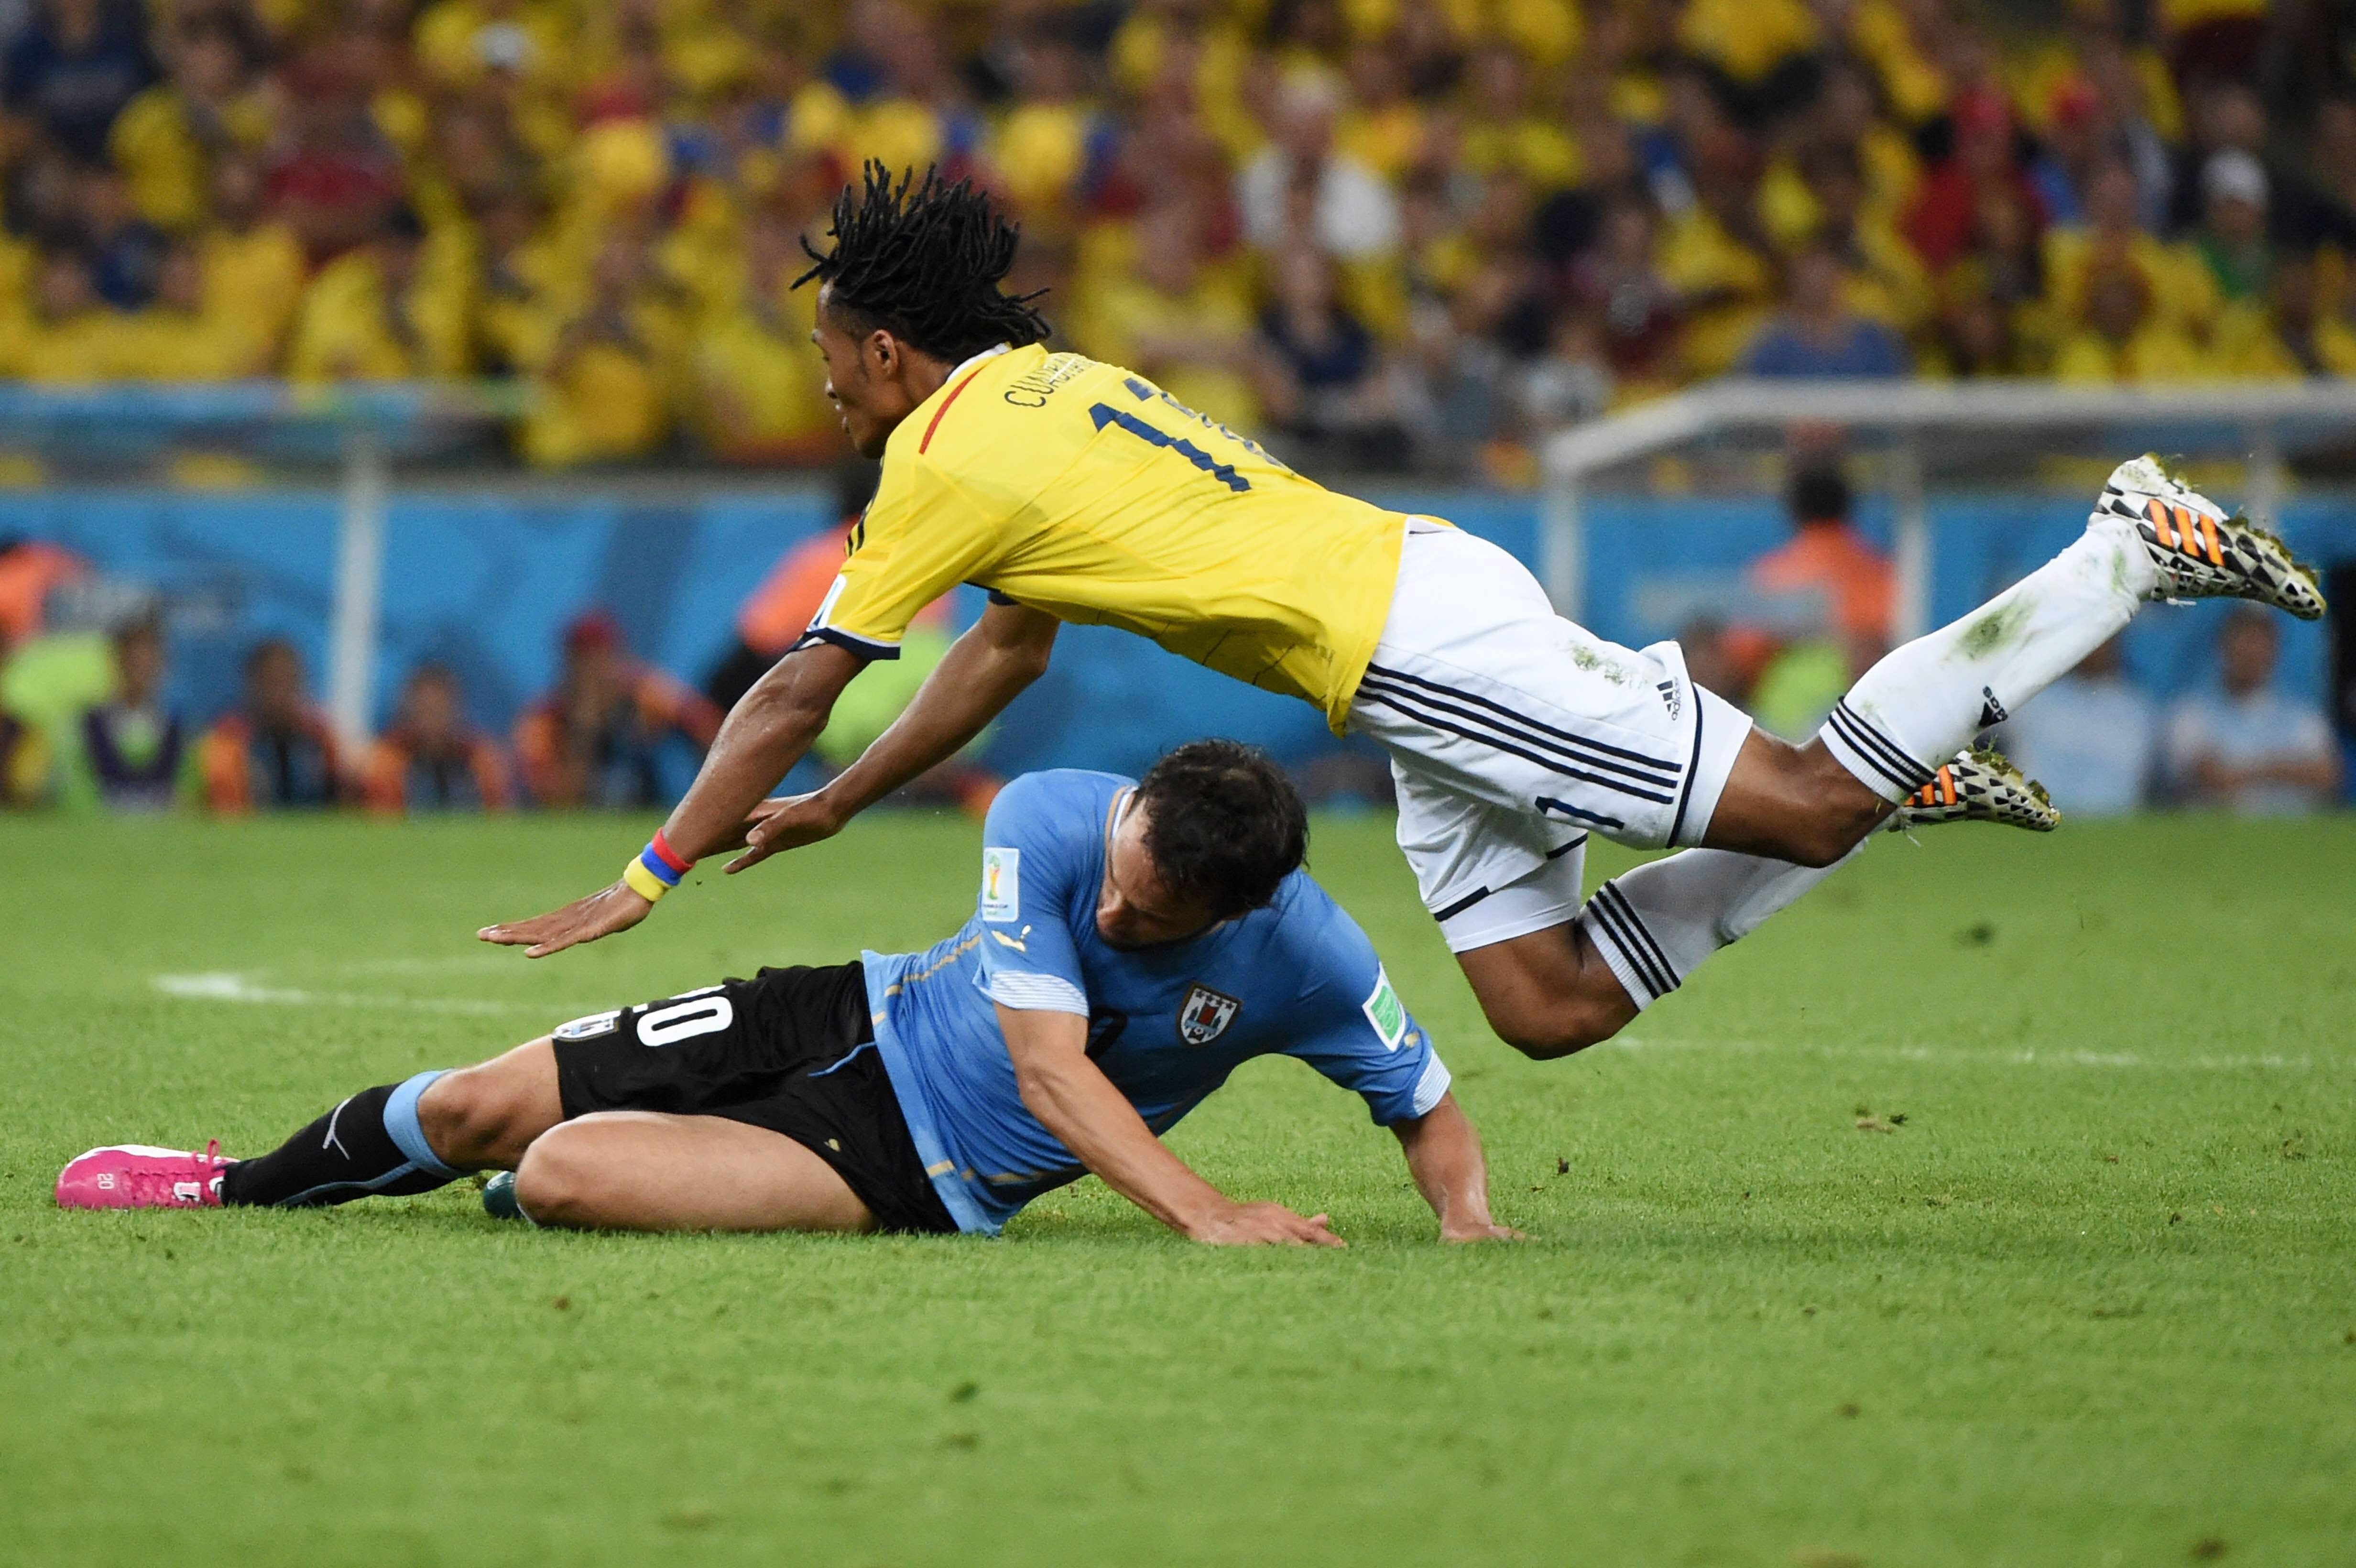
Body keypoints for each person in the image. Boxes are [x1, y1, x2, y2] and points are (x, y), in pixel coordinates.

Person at [482, 164, 2326, 1068]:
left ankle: (2125, 547)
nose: (819, 389)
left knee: (1811, 804)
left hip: (1422, 650)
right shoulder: (1045, 391)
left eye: (825, 359)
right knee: (1543, 1005)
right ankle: (1888, 779)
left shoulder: (936, 455)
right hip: (1409, 639)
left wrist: (648, 875)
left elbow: (793, 685)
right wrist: (853, 806)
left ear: (886, 349)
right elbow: (1007, 651)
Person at [60, 743, 1515, 1248]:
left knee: (558, 1171)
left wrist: (1467, 1220)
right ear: (1126, 811)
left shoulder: (1308, 951)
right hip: (835, 1010)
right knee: (472, 1102)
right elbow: (1053, 1068)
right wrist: (1204, 1209)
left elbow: (1424, 1097)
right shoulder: (1052, 813)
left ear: (1240, 913)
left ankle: (620, 1183)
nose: (1112, 906)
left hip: (904, 1167)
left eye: (1148, 914)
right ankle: (228, 1186)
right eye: (1118, 870)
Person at [513, 611, 720, 809]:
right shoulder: (548, 717)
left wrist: (709, 796)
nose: (592, 668)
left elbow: (713, 733)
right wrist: (585, 733)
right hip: (585, 815)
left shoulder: (645, 695)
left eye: (600, 656)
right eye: (583, 658)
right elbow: (553, 798)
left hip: (643, 808)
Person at [2162, 607, 2342, 815]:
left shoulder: (2304, 717)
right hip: (2215, 840)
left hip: (2290, 837)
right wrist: (2290, 768)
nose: (2251, 653)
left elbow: (2327, 775)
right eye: (2244, 641)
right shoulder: (2190, 714)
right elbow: (2213, 777)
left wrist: (2248, 771)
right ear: (2223, 646)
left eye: (2260, 643)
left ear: (2274, 650)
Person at [1996, 637, 2157, 817]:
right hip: (2034, 822)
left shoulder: (2136, 708)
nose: (2097, 647)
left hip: (2114, 827)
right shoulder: (2030, 697)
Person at [198, 637, 344, 811]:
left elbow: (341, 804)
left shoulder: (319, 739)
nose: (279, 693)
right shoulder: (228, 741)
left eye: (288, 681)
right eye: (271, 682)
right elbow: (223, 808)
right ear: (252, 684)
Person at [364, 663, 512, 815]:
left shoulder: (479, 757)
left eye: (440, 707)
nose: (432, 717)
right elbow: (384, 821)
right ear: (409, 709)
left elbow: (499, 818)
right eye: (425, 709)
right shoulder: (390, 758)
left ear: (456, 708)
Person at [78, 613, 187, 811]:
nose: (140, 664)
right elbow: (80, 795)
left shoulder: (177, 728)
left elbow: (185, 797)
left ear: (160, 664)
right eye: (133, 657)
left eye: (148, 657)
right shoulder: (91, 724)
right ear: (118, 660)